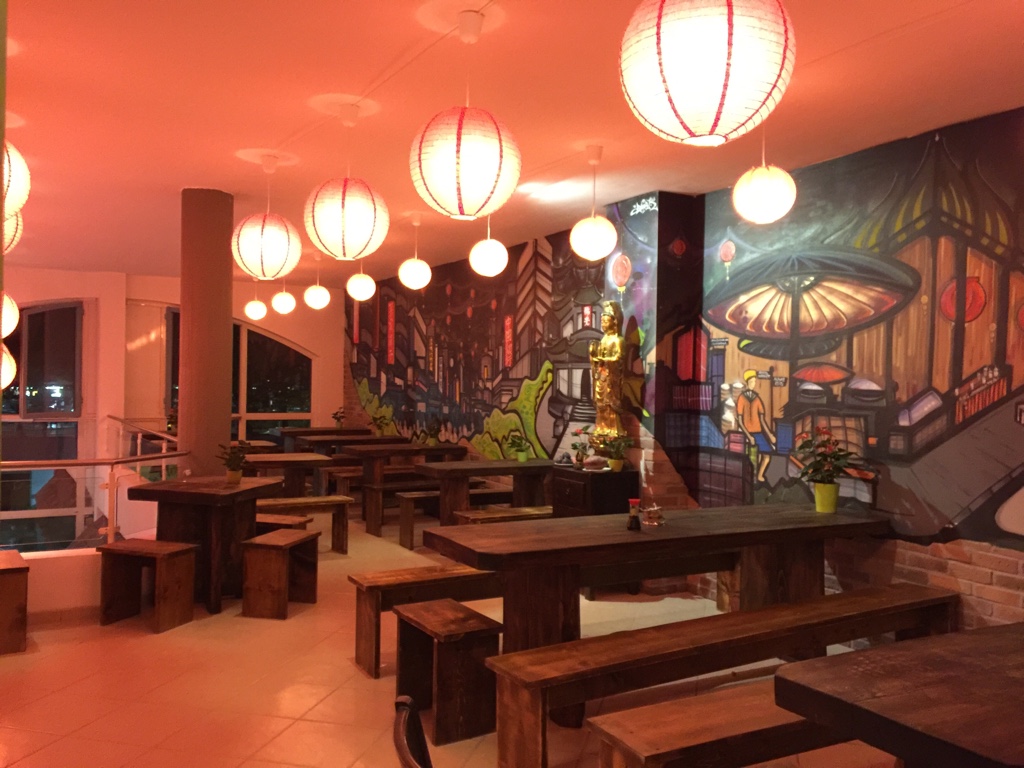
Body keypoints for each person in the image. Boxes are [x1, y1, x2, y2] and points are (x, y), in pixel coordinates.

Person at [589, 300, 625, 440]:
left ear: (614, 322)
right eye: (602, 322)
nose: (603, 324)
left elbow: (619, 358)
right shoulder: (603, 340)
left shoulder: (618, 340)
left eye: (605, 321)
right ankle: (601, 427)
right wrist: (593, 356)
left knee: (610, 403)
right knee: (601, 403)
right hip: (602, 376)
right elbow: (598, 358)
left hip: (611, 377)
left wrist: (605, 360)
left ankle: (613, 429)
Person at [736, 369, 775, 482]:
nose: (754, 384)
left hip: (758, 432)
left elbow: (762, 419)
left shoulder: (757, 398)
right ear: (747, 382)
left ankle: (759, 475)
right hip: (747, 432)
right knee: (753, 457)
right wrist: (749, 436)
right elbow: (740, 421)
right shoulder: (741, 398)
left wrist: (770, 435)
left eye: (754, 381)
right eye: (752, 381)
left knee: (766, 455)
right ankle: (751, 477)